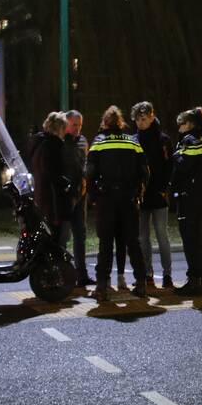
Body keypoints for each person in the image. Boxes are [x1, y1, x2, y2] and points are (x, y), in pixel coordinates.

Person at [85, 105, 150, 300]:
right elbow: (145, 172)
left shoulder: (99, 142)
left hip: (107, 200)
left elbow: (89, 173)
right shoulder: (133, 142)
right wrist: (139, 191)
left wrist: (93, 195)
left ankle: (102, 287)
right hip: (129, 199)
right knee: (133, 242)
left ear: (105, 123)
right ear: (121, 123)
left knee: (106, 244)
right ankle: (141, 284)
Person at [169, 107, 202, 296]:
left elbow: (183, 166)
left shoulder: (188, 141)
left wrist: (174, 155)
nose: (179, 128)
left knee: (191, 239)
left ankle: (194, 281)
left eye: (181, 124)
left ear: (189, 124)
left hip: (191, 196)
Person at [131, 101, 174, 290]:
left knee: (161, 234)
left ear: (151, 117)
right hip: (141, 195)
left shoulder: (163, 139)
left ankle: (167, 274)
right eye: (137, 120)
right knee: (142, 237)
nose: (140, 123)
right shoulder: (134, 140)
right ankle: (147, 273)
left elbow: (169, 166)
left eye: (143, 119)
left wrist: (163, 188)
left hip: (158, 194)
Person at [62, 110, 93, 286]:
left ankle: (81, 274)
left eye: (80, 125)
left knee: (80, 235)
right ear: (66, 124)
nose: (78, 129)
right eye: (74, 125)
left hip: (81, 194)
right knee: (64, 236)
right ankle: (65, 273)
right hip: (66, 196)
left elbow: (85, 164)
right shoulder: (60, 141)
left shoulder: (82, 141)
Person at [26, 111, 69, 229]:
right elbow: (50, 171)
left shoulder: (38, 143)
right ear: (60, 128)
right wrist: (65, 182)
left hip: (39, 195)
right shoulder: (53, 145)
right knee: (54, 235)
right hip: (52, 199)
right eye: (64, 128)